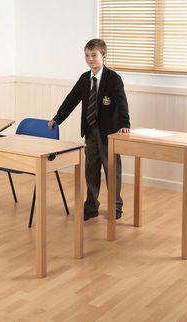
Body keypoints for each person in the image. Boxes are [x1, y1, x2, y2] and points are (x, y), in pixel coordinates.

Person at [48, 38, 130, 221]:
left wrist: (125, 124)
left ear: (104, 56)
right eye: (87, 55)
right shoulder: (85, 78)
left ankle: (116, 207)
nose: (90, 59)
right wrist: (57, 118)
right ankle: (91, 206)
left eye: (94, 55)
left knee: (111, 169)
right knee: (91, 169)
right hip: (90, 131)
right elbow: (72, 99)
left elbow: (122, 103)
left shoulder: (113, 79)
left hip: (109, 133)